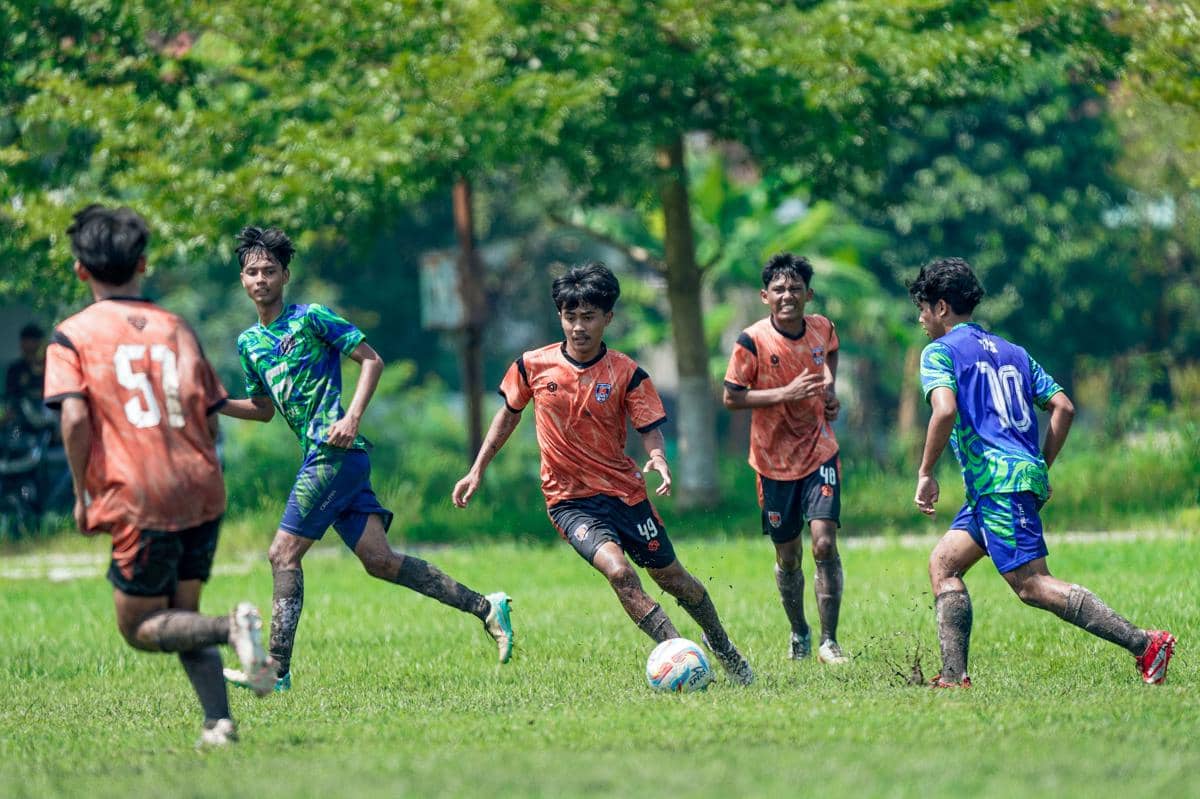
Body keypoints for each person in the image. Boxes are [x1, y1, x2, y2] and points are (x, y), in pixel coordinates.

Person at [219, 226, 513, 694]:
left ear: (285, 275)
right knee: (379, 560)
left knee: (282, 554)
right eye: (252, 272)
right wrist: (215, 404)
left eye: (269, 271)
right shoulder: (248, 343)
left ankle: (275, 670)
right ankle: (486, 607)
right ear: (241, 279)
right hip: (328, 459)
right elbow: (261, 409)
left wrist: (352, 416)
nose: (261, 279)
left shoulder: (311, 318)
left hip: (334, 454)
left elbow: (372, 360)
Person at [452, 262, 753, 685]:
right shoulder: (531, 366)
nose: (578, 327)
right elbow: (508, 415)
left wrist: (658, 458)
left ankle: (722, 645)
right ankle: (680, 655)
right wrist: (477, 470)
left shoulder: (627, 373)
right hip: (569, 502)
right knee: (619, 572)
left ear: (607, 318)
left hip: (626, 496)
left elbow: (649, 427)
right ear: (560, 316)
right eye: (570, 316)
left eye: (588, 317)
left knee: (673, 579)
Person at [42, 204, 274, 747]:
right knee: (180, 615)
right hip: (201, 483)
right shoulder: (177, 328)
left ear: (80, 269)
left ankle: (232, 628)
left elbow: (73, 418)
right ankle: (219, 723)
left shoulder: (72, 336)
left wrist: (82, 493)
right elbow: (209, 415)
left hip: (140, 491)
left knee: (139, 626)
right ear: (143, 264)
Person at [910, 256, 1176, 687]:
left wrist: (925, 472)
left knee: (1032, 585)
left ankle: (1146, 644)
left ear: (941, 307)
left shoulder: (939, 352)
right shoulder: (1014, 352)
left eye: (923, 309)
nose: (921, 319)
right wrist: (1038, 467)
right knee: (944, 564)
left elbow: (944, 410)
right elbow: (1063, 407)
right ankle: (954, 678)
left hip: (998, 485)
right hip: (999, 486)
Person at [722, 253, 849, 665]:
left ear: (809, 294)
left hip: (819, 450)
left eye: (795, 288)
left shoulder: (822, 327)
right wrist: (785, 394)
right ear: (765, 296)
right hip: (773, 462)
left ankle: (830, 642)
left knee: (824, 542)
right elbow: (731, 397)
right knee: (789, 556)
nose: (787, 295)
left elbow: (831, 351)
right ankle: (799, 632)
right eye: (778, 289)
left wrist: (829, 391)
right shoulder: (752, 341)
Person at [5, 322, 47, 425]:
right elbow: (11, 395)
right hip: (21, 418)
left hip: (46, 414)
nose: (30, 345)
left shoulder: (49, 367)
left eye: (34, 341)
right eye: (26, 341)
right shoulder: (15, 369)